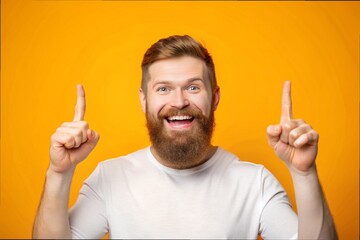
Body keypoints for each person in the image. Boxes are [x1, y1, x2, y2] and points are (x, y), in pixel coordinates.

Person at [33, 35, 337, 239]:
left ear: (214, 97)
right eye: (163, 88)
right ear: (143, 100)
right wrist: (59, 172)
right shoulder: (111, 177)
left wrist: (304, 173)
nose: (178, 101)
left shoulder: (254, 182)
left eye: (193, 87)